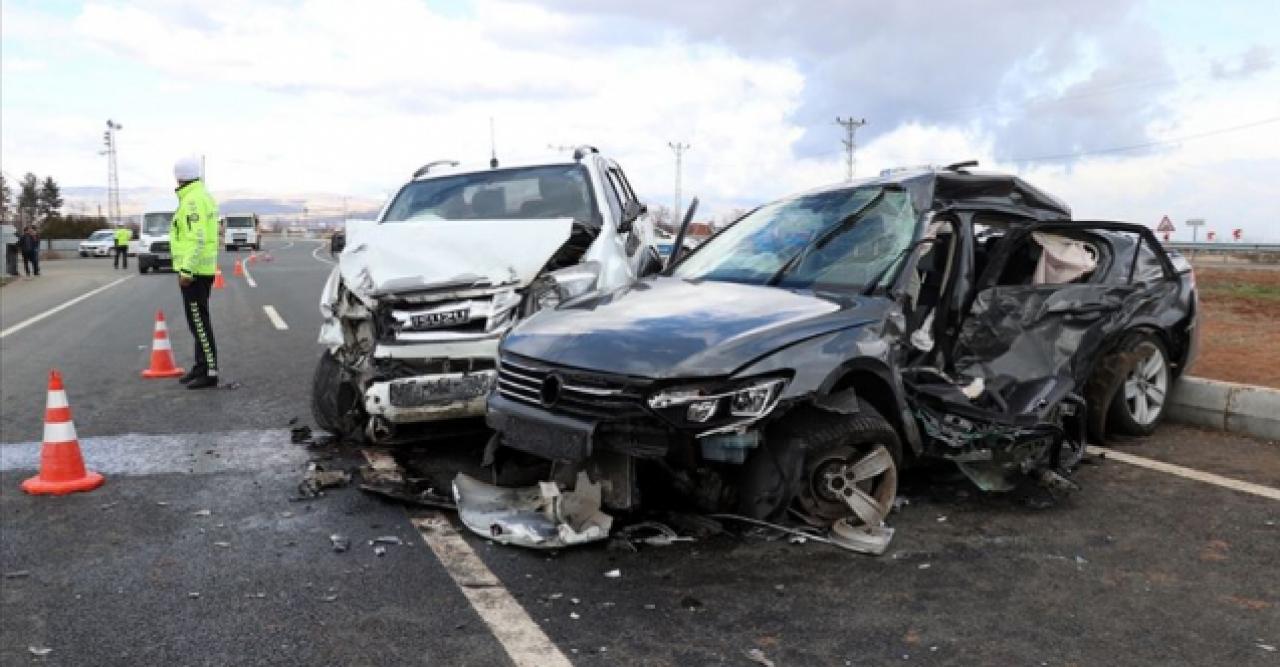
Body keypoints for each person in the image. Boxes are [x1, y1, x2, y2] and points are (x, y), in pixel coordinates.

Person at [170, 155, 221, 389]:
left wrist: (187, 270)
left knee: (199, 323)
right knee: (197, 322)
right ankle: (201, 367)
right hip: (199, 269)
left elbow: (197, 238)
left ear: (180, 177)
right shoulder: (200, 196)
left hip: (195, 272)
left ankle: (209, 371)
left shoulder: (192, 201)